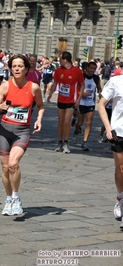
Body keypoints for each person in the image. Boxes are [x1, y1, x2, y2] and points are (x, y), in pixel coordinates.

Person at [0, 54, 44, 216]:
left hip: (22, 131)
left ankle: (16, 197)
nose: (17, 69)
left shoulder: (33, 87)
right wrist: (0, 107)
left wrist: (39, 119)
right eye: (14, 66)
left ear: (26, 69)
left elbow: (40, 106)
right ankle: (8, 199)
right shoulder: (5, 86)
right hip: (4, 131)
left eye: (20, 66)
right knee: (5, 168)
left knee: (13, 164)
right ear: (10, 69)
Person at [98, 72, 123, 231]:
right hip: (119, 132)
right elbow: (101, 104)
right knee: (121, 169)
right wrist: (108, 128)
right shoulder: (116, 81)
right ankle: (120, 197)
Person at [47, 51, 84, 154]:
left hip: (72, 100)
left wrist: (79, 99)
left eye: (60, 59)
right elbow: (55, 83)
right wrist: (50, 94)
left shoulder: (77, 71)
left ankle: (66, 143)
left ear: (65, 60)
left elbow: (82, 85)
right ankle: (59, 142)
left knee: (67, 121)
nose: (59, 61)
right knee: (60, 121)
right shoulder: (58, 70)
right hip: (61, 99)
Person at [73, 61, 101, 150]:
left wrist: (101, 95)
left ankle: (85, 142)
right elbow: (75, 89)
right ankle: (77, 128)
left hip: (90, 103)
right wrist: (81, 94)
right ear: (87, 68)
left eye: (94, 69)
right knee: (80, 123)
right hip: (81, 103)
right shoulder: (82, 77)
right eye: (91, 68)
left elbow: (99, 89)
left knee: (89, 123)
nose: (92, 70)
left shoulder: (96, 78)